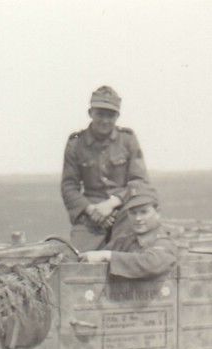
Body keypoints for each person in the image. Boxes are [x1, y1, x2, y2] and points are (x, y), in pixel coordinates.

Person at [61, 85, 149, 251]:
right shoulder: (76, 143)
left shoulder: (127, 140)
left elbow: (139, 181)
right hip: (90, 215)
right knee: (75, 258)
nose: (105, 120)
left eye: (110, 115)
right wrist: (91, 210)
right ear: (90, 113)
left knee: (133, 257)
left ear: (117, 116)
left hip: (124, 210)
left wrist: (111, 204)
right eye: (100, 114)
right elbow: (69, 186)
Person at [82, 183, 177, 279]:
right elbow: (96, 259)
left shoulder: (164, 242)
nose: (138, 218)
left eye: (144, 212)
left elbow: (152, 263)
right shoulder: (123, 242)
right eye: (133, 213)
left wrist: (107, 255)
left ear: (158, 212)